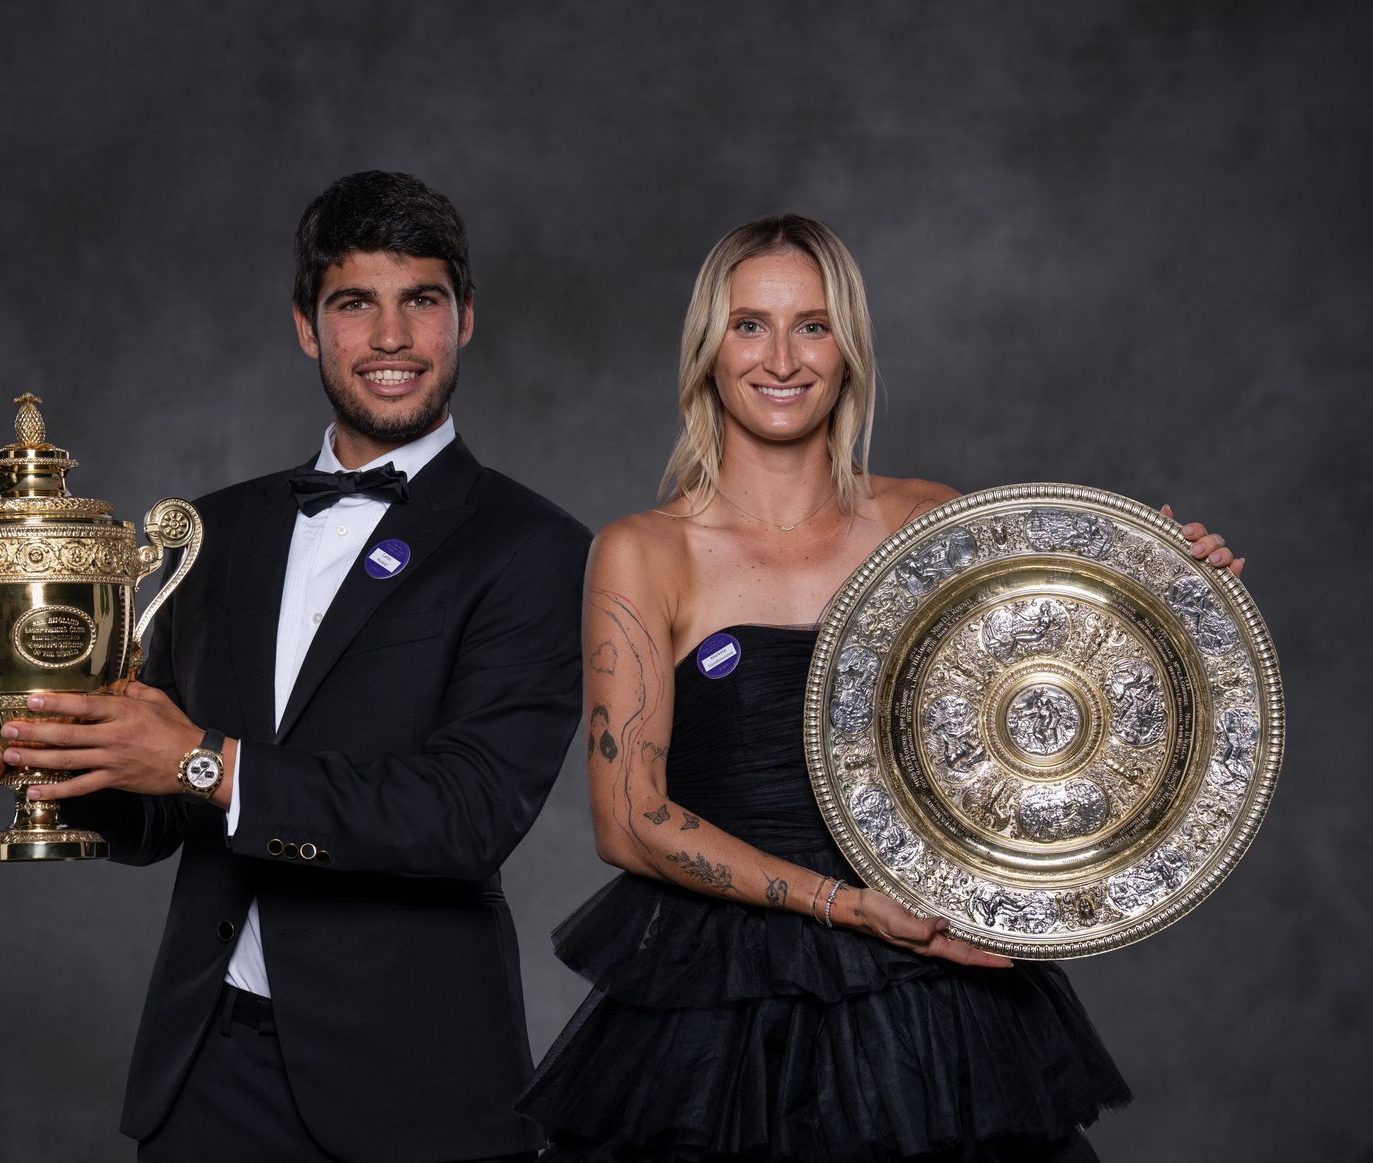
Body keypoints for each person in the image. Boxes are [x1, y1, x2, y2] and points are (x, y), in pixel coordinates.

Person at [517, 214, 1243, 1161]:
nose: (783, 358)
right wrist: (845, 904)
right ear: (708, 350)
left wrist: (1173, 590)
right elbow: (630, 820)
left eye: (812, 326)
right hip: (722, 1011)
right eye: (750, 325)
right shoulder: (646, 552)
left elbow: (1051, 708)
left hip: (933, 996)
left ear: (848, 348)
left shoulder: (929, 520)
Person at [0, 171, 590, 1162]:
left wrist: (205, 760)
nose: (392, 336)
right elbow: (159, 812)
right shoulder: (211, 532)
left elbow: (467, 814)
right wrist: (38, 753)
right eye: (354, 303)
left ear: (465, 318)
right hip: (207, 1071)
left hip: (413, 1083)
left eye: (422, 300)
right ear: (306, 326)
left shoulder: (534, 546)